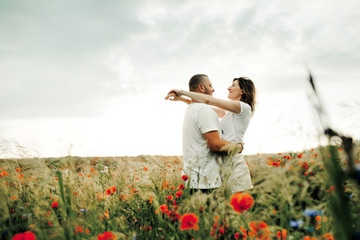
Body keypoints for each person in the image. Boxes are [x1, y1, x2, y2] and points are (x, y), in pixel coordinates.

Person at [166, 76, 255, 193]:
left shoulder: (243, 108)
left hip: (234, 163)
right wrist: (182, 99)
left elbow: (208, 100)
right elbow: (202, 106)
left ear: (242, 91)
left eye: (233, 86)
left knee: (239, 207)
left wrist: (182, 92)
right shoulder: (229, 112)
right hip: (223, 163)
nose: (228, 88)